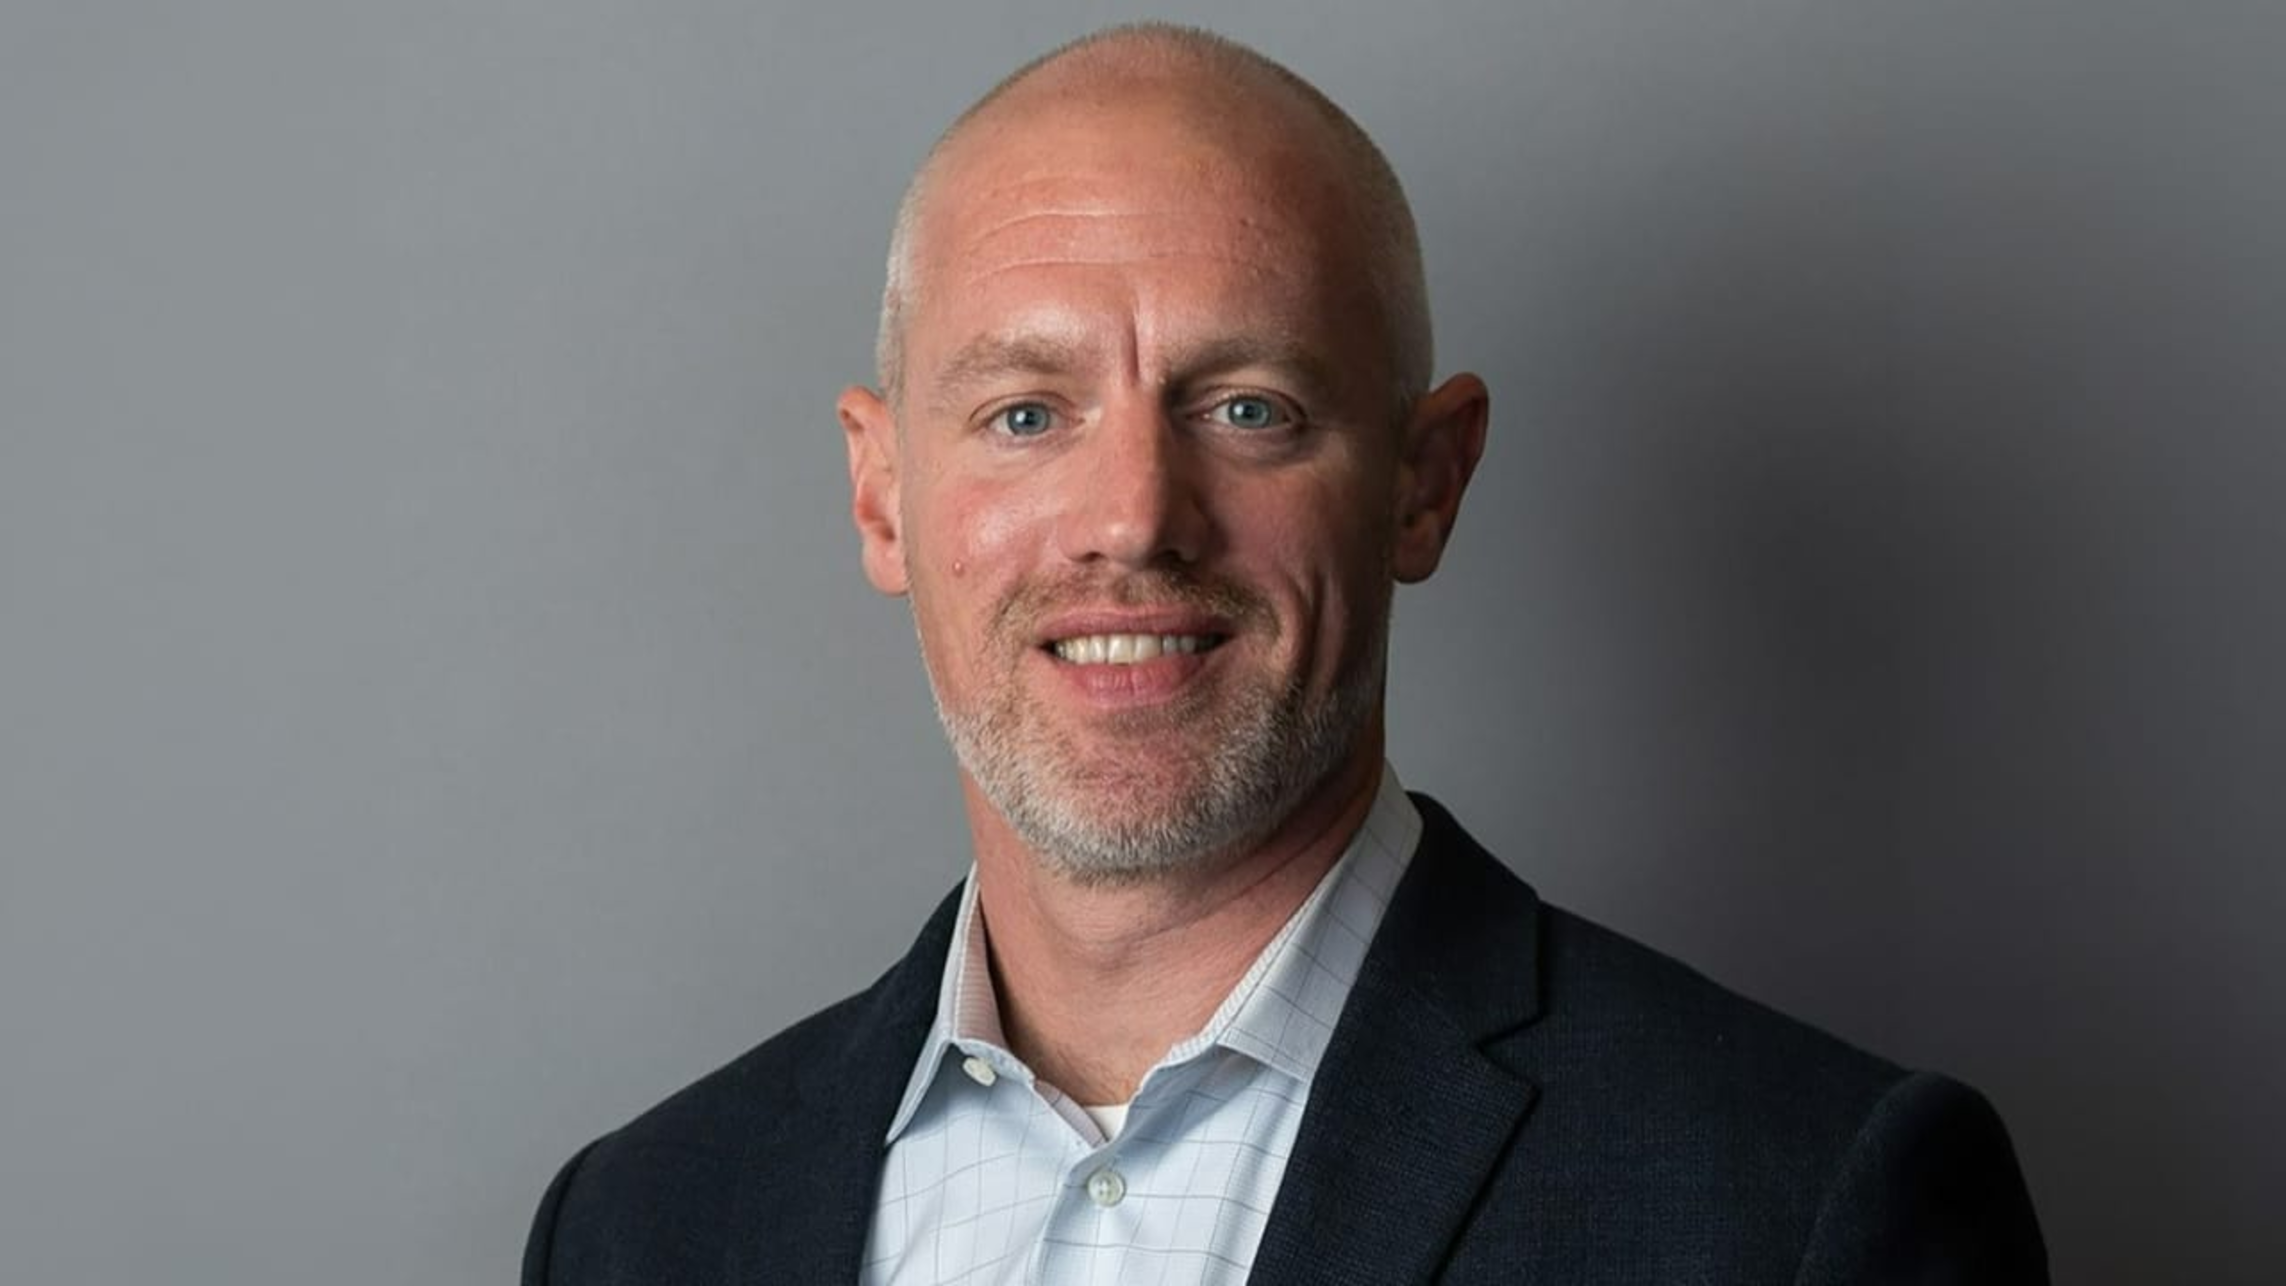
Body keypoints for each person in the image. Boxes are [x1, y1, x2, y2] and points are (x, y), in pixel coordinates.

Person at [523, 23, 2046, 1285]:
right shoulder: (642, 1227)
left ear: (1423, 483)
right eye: (1025, 413)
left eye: (1247, 408)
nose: (1132, 520)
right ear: (881, 497)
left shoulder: (1802, 1202)